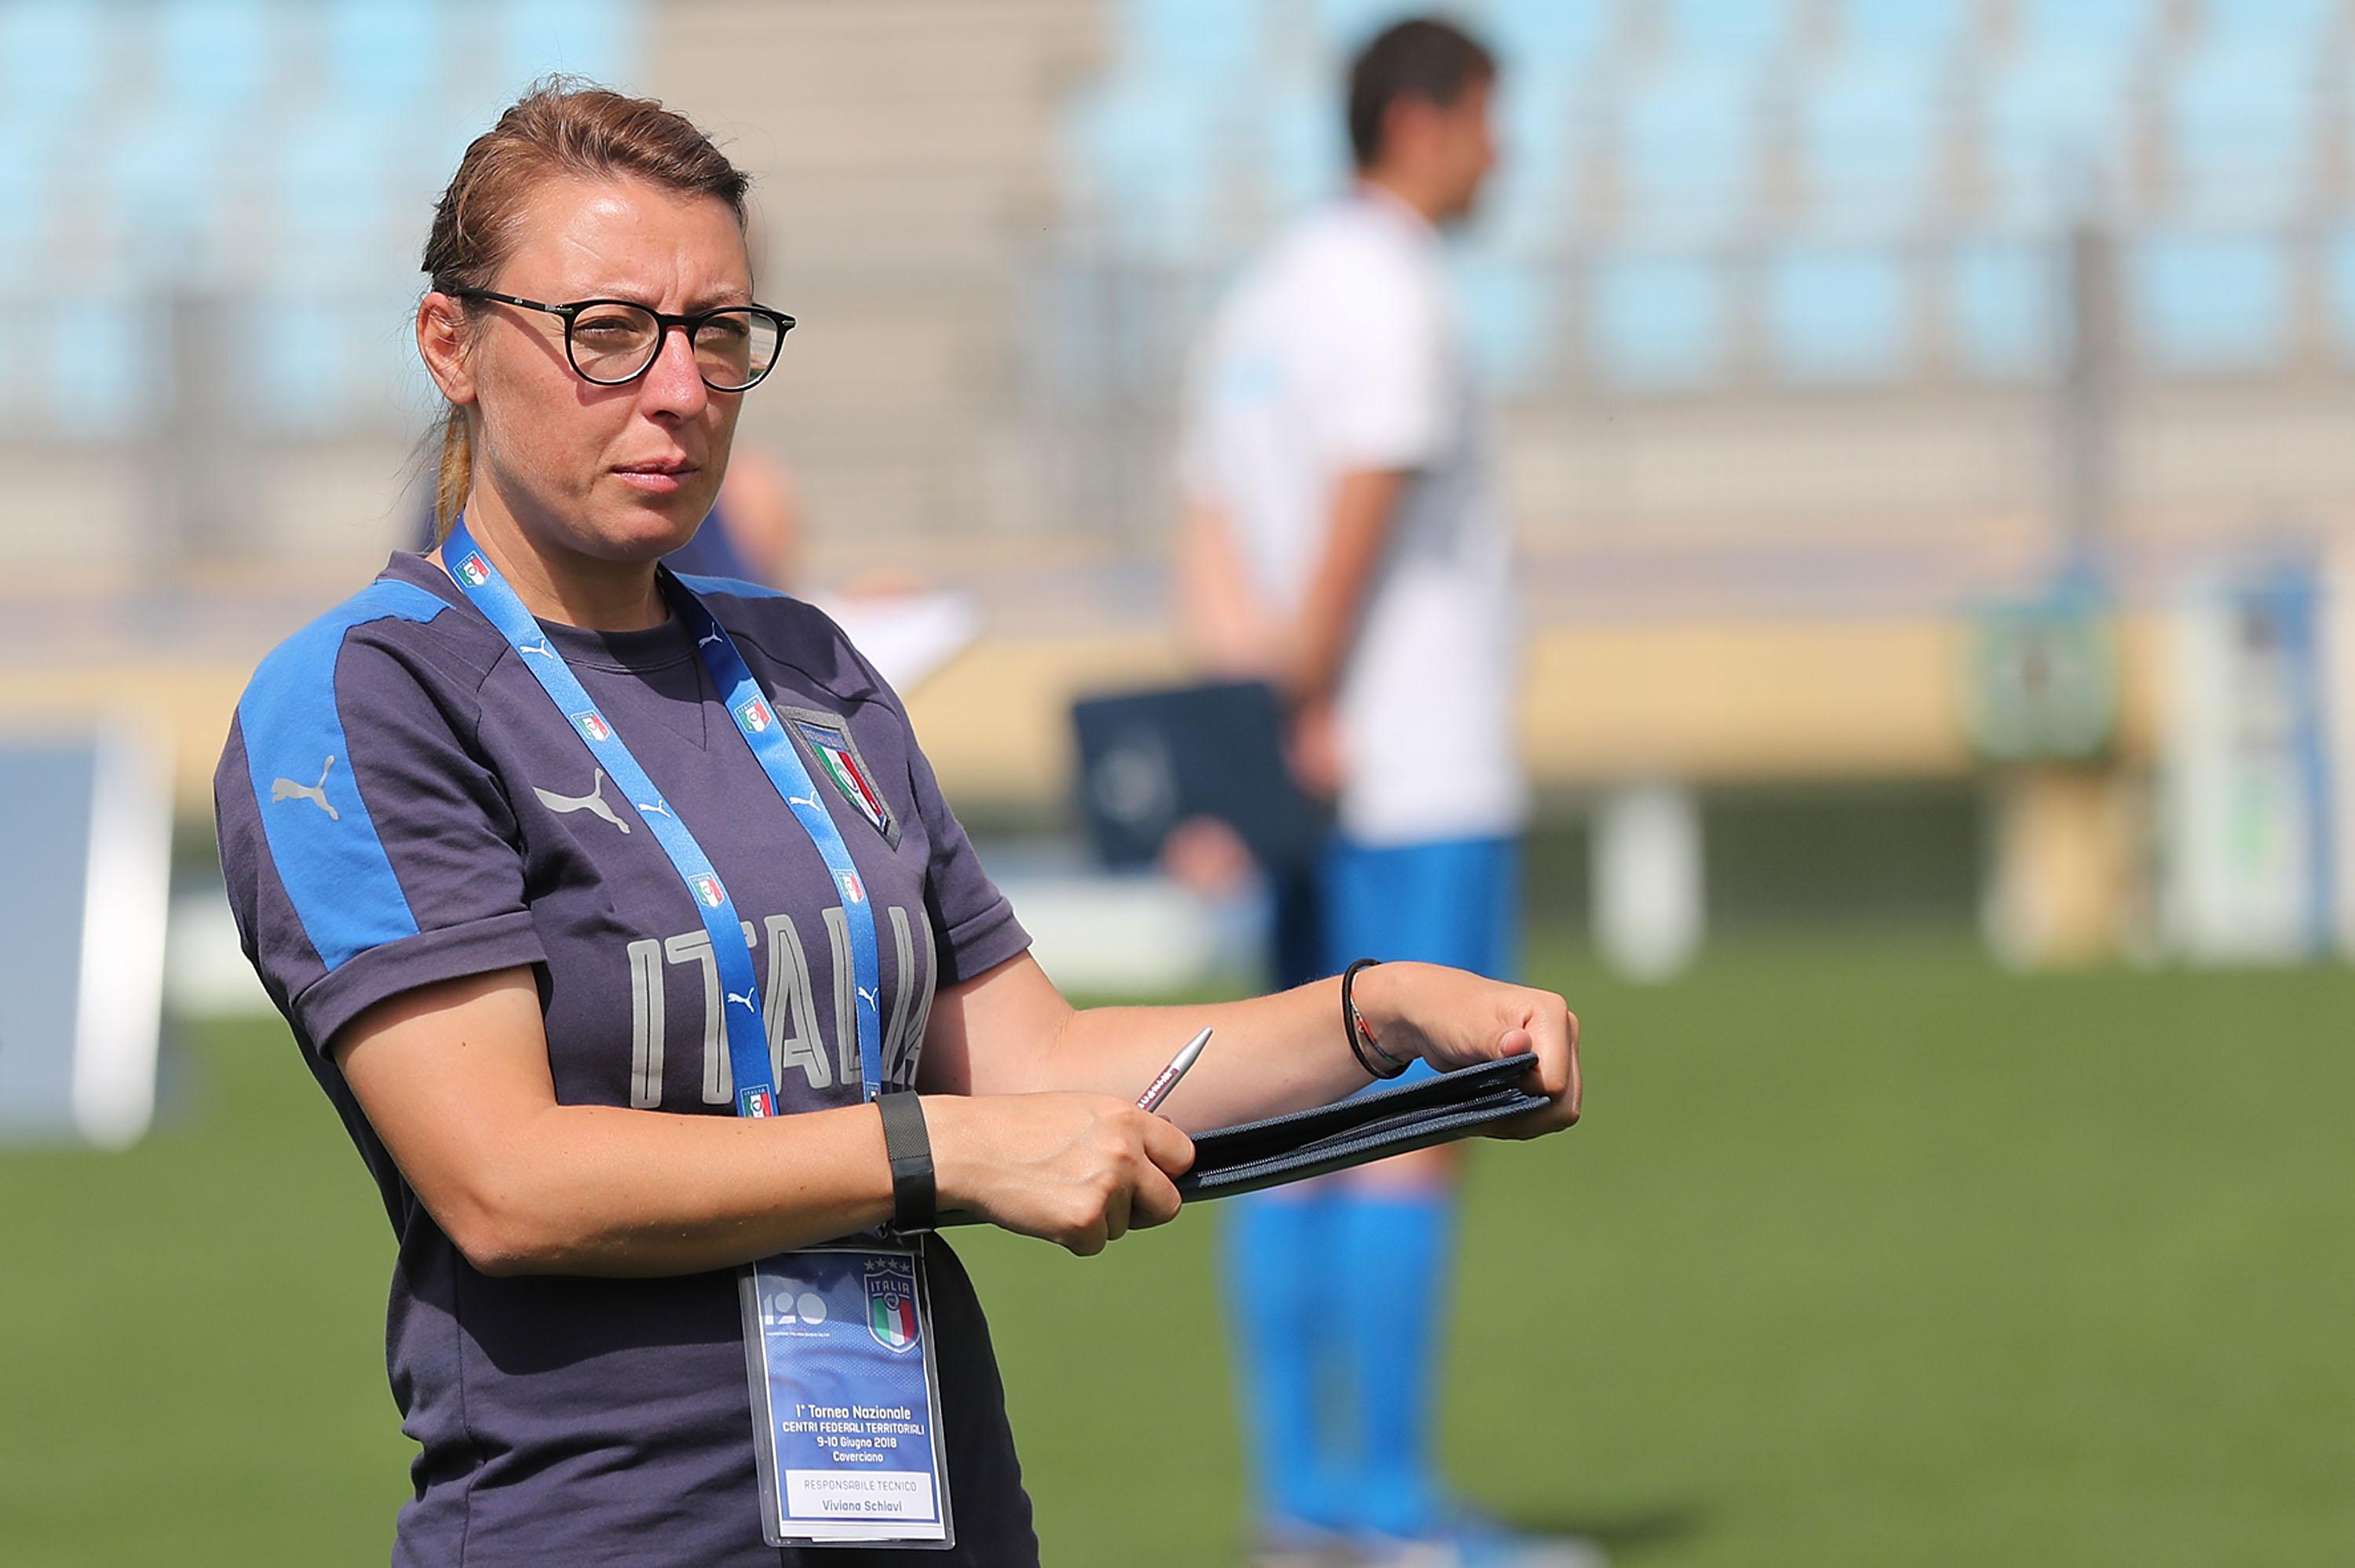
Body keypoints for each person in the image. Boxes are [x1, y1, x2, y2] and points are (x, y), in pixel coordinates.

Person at [213, 82, 1581, 1566]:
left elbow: (1037, 1063)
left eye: (719, 332)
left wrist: (1377, 1013)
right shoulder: (368, 695)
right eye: (605, 330)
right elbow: (508, 1179)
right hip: (609, 1525)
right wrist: (936, 1152)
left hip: (933, 1514)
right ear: (451, 343)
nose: (676, 389)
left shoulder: (808, 663)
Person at [1174, 21, 1589, 1567]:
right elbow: (1363, 491)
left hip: (1298, 772)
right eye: (1491, 119)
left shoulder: (1267, 291)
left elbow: (1209, 516)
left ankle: (1297, 1497)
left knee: (1279, 1117)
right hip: (1406, 765)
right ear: (1421, 121)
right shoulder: (1396, 286)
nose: (1503, 152)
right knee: (1423, 1124)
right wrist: (1309, 689)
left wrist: (1247, 716)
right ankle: (1399, 1511)